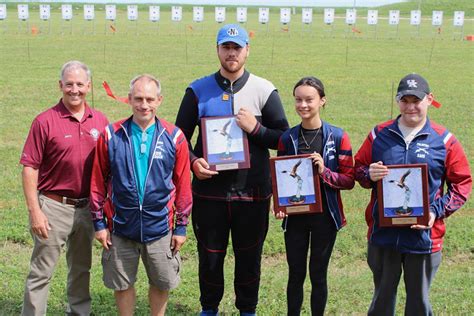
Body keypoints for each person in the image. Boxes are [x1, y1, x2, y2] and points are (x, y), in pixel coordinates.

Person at [175, 24, 289, 315]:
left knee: (249, 257)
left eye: (237, 48)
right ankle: (209, 309)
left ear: (247, 51)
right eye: (226, 47)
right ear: (217, 50)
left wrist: (256, 129)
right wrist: (192, 162)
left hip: (253, 193)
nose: (231, 53)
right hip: (210, 193)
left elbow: (284, 139)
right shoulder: (197, 90)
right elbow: (178, 138)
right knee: (210, 257)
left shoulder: (264, 90)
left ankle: (247, 310)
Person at [354, 73, 472, 316]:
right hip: (383, 235)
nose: (410, 107)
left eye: (416, 100)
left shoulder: (444, 140)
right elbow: (358, 169)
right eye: (404, 100)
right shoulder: (379, 134)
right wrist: (369, 174)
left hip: (424, 238)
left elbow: (462, 184)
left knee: (419, 303)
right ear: (397, 101)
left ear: (429, 99)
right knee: (382, 300)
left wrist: (434, 211)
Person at [90, 74, 192, 316]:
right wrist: (98, 223)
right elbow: (97, 182)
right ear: (129, 100)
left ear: (159, 100)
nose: (143, 105)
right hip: (120, 226)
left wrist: (181, 227)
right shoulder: (111, 135)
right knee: (122, 283)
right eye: (138, 99)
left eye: (149, 99)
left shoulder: (174, 136)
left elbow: (183, 184)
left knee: (161, 281)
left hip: (160, 227)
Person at [20, 60, 109, 315]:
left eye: (80, 84)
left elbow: (108, 166)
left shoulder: (100, 121)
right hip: (53, 207)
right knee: (41, 272)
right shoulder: (45, 121)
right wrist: (35, 211)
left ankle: (79, 312)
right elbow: (30, 168)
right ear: (60, 85)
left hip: (87, 208)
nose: (74, 90)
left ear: (88, 86)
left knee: (81, 268)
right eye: (69, 84)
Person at [274, 77, 355, 316]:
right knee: (295, 274)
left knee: (318, 274)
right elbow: (280, 177)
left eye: (309, 99)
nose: (303, 105)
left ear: (322, 101)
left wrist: (324, 171)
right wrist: (279, 204)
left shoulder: (339, 137)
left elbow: (349, 180)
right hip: (296, 216)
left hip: (325, 217)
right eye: (298, 99)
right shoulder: (287, 138)